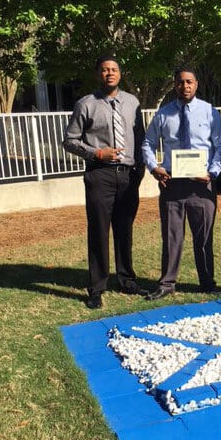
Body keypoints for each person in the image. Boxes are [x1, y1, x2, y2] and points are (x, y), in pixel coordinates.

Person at [63, 55, 147, 309]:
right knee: (99, 230)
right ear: (97, 74)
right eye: (104, 70)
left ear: (120, 74)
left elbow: (140, 137)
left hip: (129, 175)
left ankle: (126, 279)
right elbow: (70, 140)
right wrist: (96, 153)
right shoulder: (86, 104)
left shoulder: (132, 102)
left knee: (125, 229)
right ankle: (97, 287)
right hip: (100, 174)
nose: (110, 73)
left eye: (114, 69)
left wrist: (140, 169)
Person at [142, 67, 221, 300]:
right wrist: (153, 167)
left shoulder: (209, 112)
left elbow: (220, 146)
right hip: (172, 184)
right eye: (180, 82)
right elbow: (147, 143)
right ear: (174, 84)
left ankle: (207, 282)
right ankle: (167, 284)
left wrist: (213, 173)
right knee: (171, 236)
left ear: (196, 84)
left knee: (204, 237)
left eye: (189, 82)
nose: (185, 86)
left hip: (202, 185)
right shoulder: (163, 114)